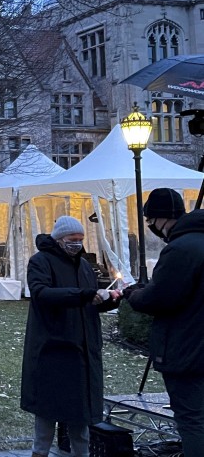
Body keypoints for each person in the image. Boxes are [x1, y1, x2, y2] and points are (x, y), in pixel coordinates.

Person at [21, 215, 121, 457]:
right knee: (46, 414)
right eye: (72, 239)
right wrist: (85, 295)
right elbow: (42, 293)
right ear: (59, 240)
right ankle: (39, 453)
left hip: (82, 349)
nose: (77, 243)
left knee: (81, 415)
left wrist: (109, 299)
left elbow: (89, 302)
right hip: (53, 347)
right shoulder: (40, 262)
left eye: (80, 239)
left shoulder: (85, 266)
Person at [124, 188, 204, 456]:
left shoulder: (181, 249)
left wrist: (134, 295)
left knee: (193, 420)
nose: (151, 228)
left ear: (163, 218)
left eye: (151, 221)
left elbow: (161, 297)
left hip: (188, 349)